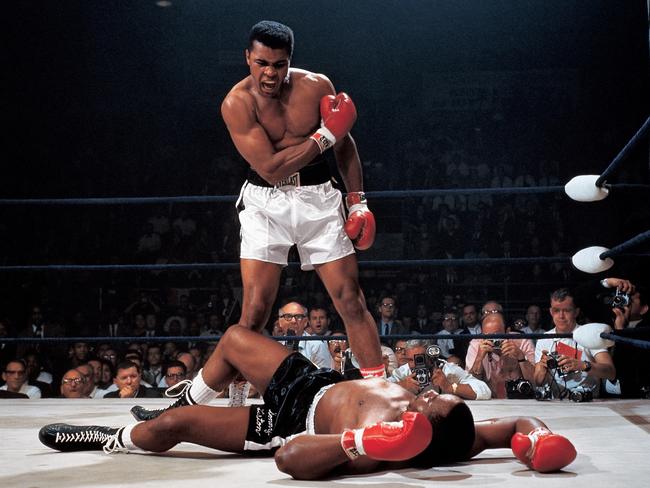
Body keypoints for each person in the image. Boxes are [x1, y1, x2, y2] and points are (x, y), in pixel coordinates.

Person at [40, 324, 577, 478]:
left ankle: (116, 439)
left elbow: (289, 458)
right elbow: (511, 426)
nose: (427, 393)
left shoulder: (392, 447)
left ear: (424, 431)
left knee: (174, 427)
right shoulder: (459, 430)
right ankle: (183, 392)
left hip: (288, 418)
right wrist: (540, 440)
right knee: (234, 339)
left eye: (427, 404)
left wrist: (363, 439)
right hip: (313, 376)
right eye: (433, 396)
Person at [219, 20, 383, 378]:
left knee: (350, 299)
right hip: (265, 202)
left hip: (318, 196)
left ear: (289, 61)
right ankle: (237, 398)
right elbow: (272, 169)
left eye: (279, 65)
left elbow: (345, 143)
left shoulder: (316, 86)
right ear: (248, 58)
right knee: (256, 310)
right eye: (262, 63)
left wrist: (357, 200)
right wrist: (325, 135)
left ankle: (380, 390)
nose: (270, 73)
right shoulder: (237, 103)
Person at [533, 288, 616, 399]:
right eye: (556, 310)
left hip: (589, 403)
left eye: (566, 310)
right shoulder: (544, 339)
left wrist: (583, 365)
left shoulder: (590, 334)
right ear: (551, 312)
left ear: (576, 312)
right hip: (556, 404)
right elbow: (538, 382)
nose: (561, 316)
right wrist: (542, 369)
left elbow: (610, 372)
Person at [389, 339, 491, 400]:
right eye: (411, 360)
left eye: (420, 359)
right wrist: (401, 386)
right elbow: (378, 388)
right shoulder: (403, 372)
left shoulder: (447, 370)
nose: (416, 364)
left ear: (431, 358)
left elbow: (484, 391)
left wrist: (450, 387)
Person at [466, 313, 536, 399]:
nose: (492, 341)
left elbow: (535, 383)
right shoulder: (476, 344)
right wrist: (479, 358)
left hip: (519, 399)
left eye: (496, 335)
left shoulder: (522, 341)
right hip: (489, 400)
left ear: (507, 331)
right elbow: (471, 386)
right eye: (487, 336)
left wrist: (521, 358)